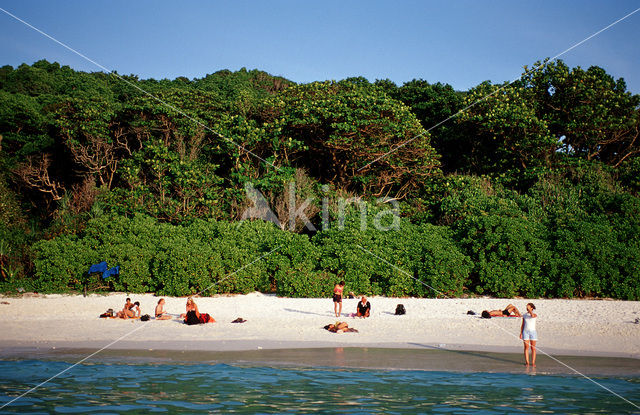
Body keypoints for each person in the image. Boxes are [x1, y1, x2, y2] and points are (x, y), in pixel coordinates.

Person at [520, 303, 538, 367]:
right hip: (525, 332)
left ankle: (533, 363)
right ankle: (527, 362)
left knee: (533, 348)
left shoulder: (534, 314)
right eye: (526, 307)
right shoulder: (524, 315)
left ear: (532, 308)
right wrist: (521, 333)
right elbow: (523, 325)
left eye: (528, 307)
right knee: (526, 347)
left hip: (533, 332)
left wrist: (529, 310)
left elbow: (532, 315)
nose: (527, 308)